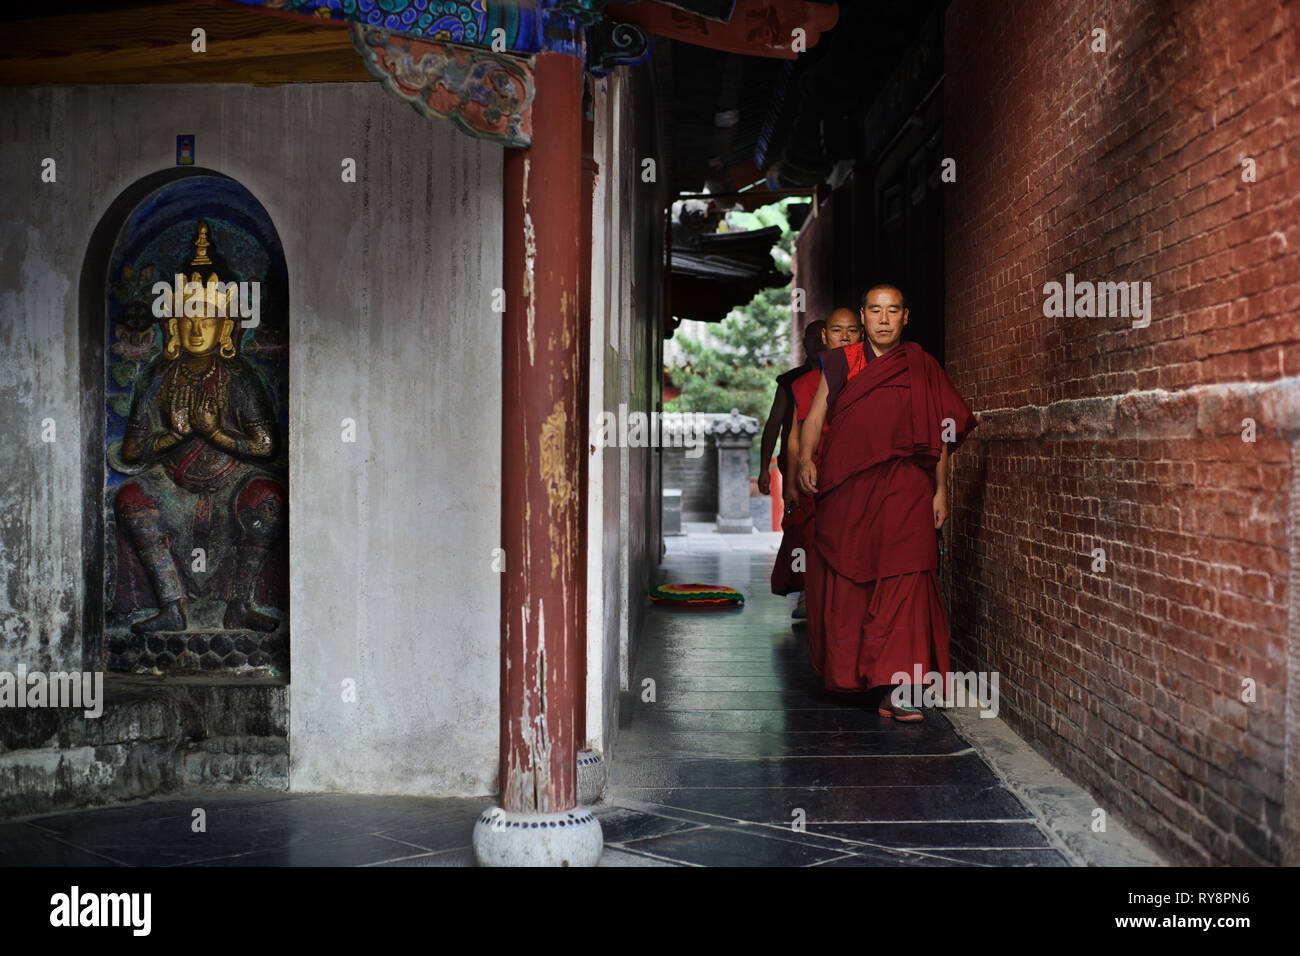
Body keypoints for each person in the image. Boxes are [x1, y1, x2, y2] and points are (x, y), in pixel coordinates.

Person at [796, 284, 977, 720]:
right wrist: (805, 457)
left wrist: (941, 490)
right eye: (875, 311)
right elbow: (816, 416)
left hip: (907, 490)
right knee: (851, 577)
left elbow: (941, 433)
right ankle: (856, 673)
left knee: (909, 579)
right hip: (849, 492)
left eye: (892, 310)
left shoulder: (921, 366)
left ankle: (899, 688)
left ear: (905, 317)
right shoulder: (841, 363)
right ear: (863, 316)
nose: (883, 318)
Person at [775, 309, 862, 620]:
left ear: (861, 334)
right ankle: (814, 598)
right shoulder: (807, 382)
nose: (845, 337)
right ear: (826, 337)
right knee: (814, 542)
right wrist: (797, 473)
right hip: (819, 475)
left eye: (852, 330)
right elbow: (795, 434)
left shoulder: (872, 373)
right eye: (837, 330)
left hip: (859, 477)